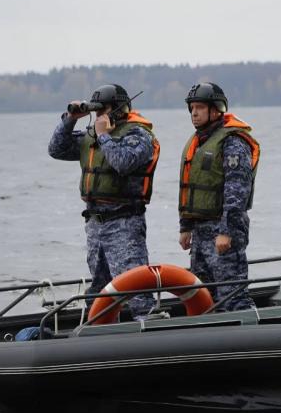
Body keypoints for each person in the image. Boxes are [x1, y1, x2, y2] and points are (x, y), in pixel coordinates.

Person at [48, 84, 159, 320]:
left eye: (103, 110)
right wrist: (70, 119)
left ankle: (147, 329)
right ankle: (103, 332)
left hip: (124, 223)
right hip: (95, 224)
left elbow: (123, 162)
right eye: (96, 111)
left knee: (136, 289)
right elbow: (56, 149)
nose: (98, 116)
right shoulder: (91, 137)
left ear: (118, 109)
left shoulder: (138, 135)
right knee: (100, 289)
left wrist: (104, 135)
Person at [178, 82, 261, 311]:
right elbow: (188, 187)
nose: (194, 113)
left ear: (215, 109)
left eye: (200, 108)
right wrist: (185, 227)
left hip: (224, 230)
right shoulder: (198, 142)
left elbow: (237, 191)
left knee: (232, 296)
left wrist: (226, 231)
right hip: (200, 232)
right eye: (192, 108)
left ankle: (249, 336)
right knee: (203, 295)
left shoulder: (233, 142)